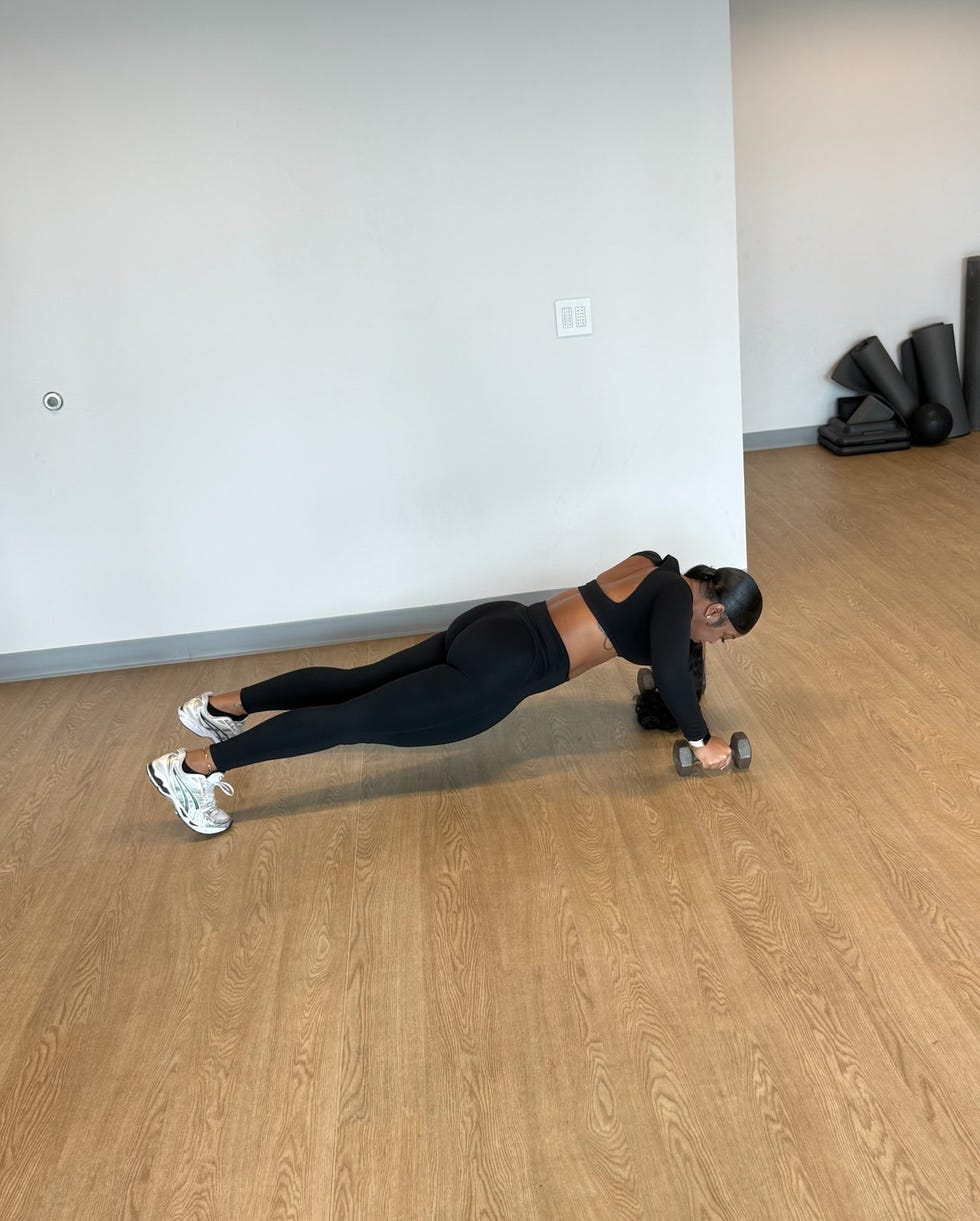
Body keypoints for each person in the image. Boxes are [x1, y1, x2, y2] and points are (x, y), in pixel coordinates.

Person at [147, 550, 762, 834]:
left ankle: (218, 707)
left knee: (357, 683)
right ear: (712, 612)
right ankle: (195, 769)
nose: (717, 644)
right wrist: (703, 740)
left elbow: (654, 652)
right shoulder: (678, 600)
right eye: (725, 636)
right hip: (503, 670)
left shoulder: (654, 565)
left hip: (497, 625)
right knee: (350, 719)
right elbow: (676, 674)